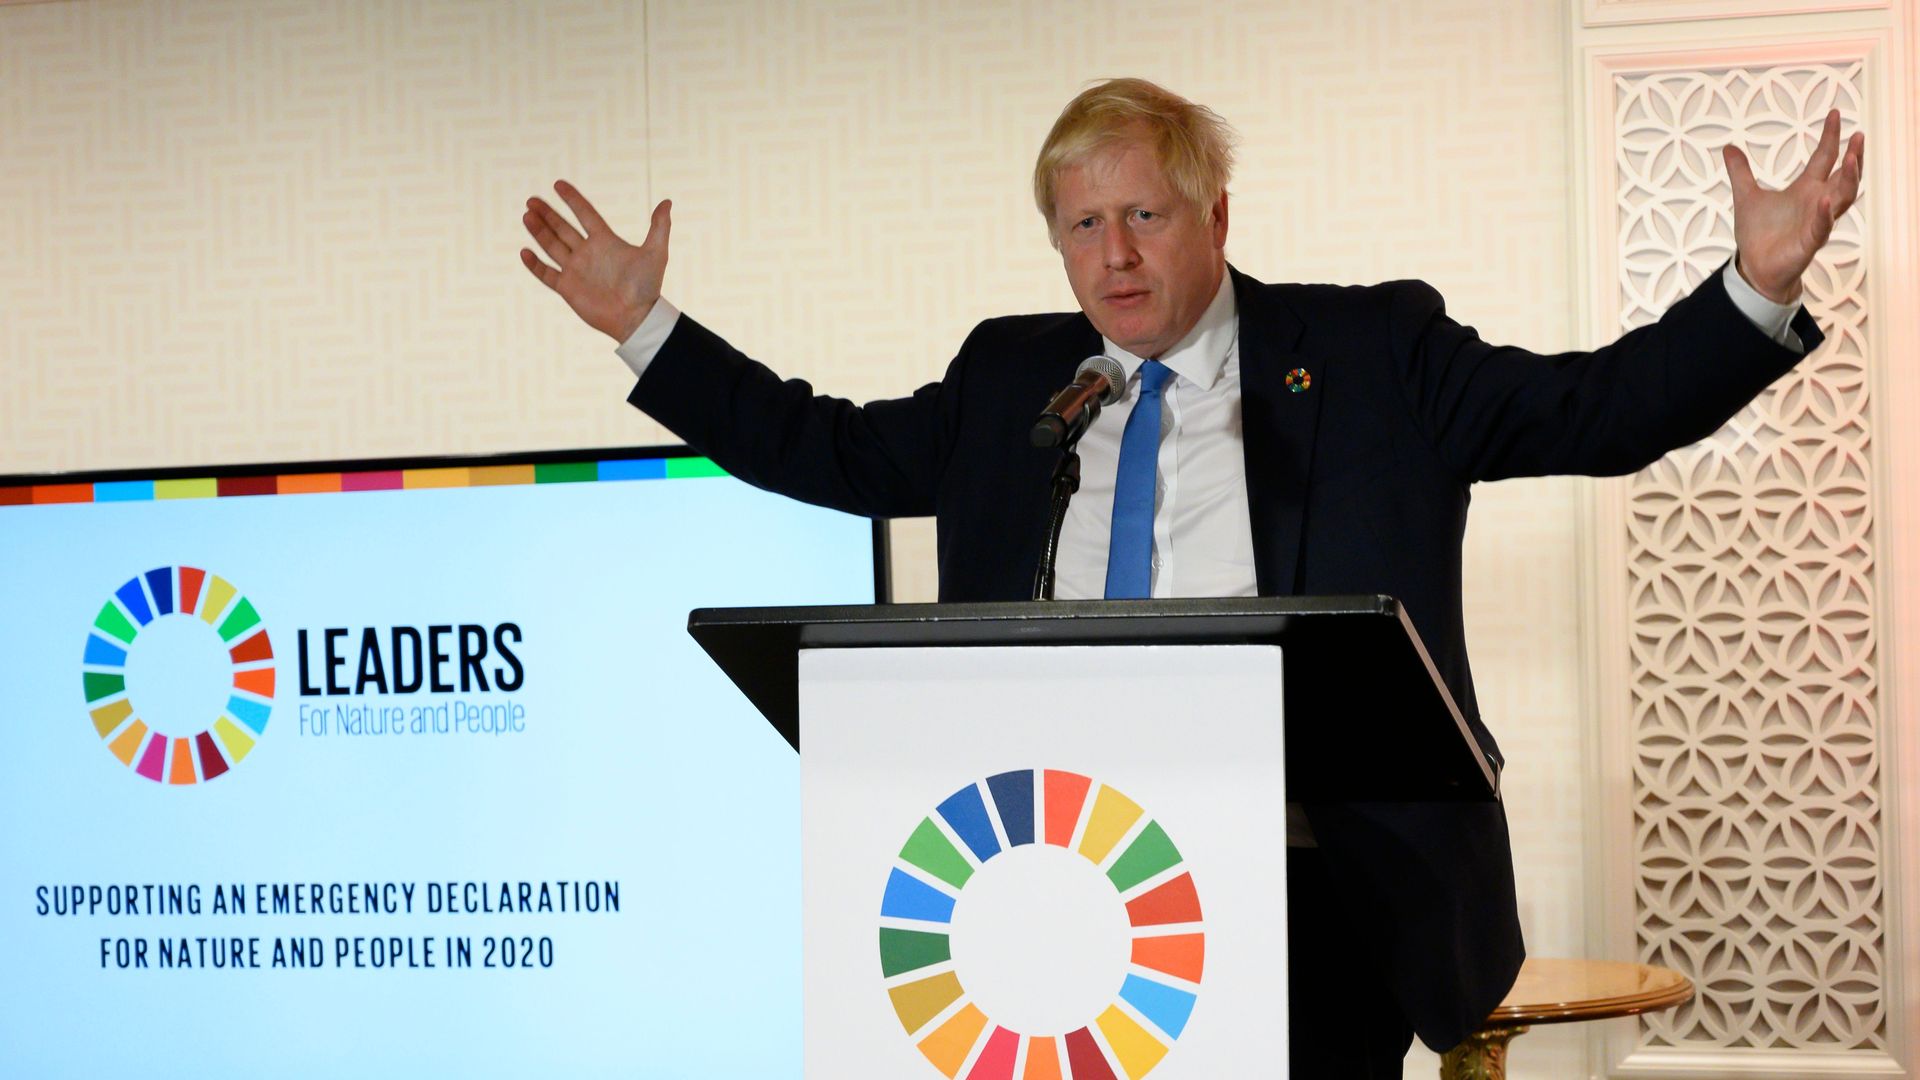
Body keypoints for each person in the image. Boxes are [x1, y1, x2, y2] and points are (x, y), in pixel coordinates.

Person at [520, 78, 1863, 1074]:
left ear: (1214, 212)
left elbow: (1595, 412)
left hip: (1311, 892)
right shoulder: (1014, 382)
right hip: (1053, 879)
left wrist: (1751, 283)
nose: (1112, 253)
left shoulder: (1372, 354)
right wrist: (649, 328)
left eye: (1144, 214)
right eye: (1082, 224)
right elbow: (825, 445)